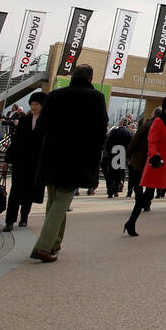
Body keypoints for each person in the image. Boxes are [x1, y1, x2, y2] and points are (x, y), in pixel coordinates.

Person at [30, 64, 108, 262]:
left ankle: (55, 241)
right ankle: (43, 246)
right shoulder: (96, 98)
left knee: (53, 199)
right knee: (62, 200)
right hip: (77, 157)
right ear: (90, 79)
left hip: (51, 154)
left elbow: (41, 126)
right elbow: (101, 128)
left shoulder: (55, 95)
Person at [124, 94, 166, 237]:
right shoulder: (158, 121)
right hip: (157, 162)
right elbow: (152, 141)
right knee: (147, 196)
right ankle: (131, 222)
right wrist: (154, 156)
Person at [2, 92, 44, 232]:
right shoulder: (25, 120)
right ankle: (9, 220)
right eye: (32, 104)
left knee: (29, 191)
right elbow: (16, 141)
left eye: (36, 104)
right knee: (15, 191)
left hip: (36, 162)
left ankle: (24, 216)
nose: (33, 107)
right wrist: (7, 160)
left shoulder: (47, 122)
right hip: (21, 161)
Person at [102, 117, 134, 198]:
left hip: (114, 154)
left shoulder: (114, 131)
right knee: (119, 174)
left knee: (111, 174)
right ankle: (116, 190)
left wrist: (109, 152)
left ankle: (110, 191)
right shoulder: (129, 133)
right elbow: (131, 146)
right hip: (123, 155)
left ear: (120, 123)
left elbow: (108, 143)